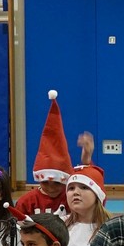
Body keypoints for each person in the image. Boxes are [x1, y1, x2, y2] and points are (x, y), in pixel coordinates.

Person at [15, 90, 74, 218]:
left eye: (57, 183)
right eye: (46, 182)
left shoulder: (71, 200)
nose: (51, 188)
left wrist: (87, 159)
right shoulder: (26, 202)